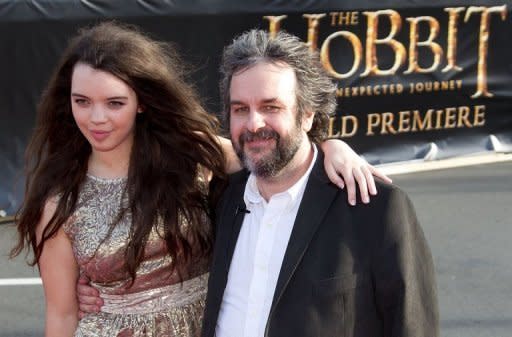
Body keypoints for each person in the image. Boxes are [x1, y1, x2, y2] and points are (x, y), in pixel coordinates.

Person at [10, 22, 389, 337]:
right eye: (82, 101)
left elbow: (270, 153)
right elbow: (60, 315)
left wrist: (330, 147)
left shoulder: (191, 152)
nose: (96, 119)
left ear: (141, 101)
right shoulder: (60, 201)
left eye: (114, 103)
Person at [198, 30, 439, 337]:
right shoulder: (221, 198)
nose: (253, 123)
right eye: (240, 109)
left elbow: (411, 327)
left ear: (308, 114)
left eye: (271, 107)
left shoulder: (373, 208)